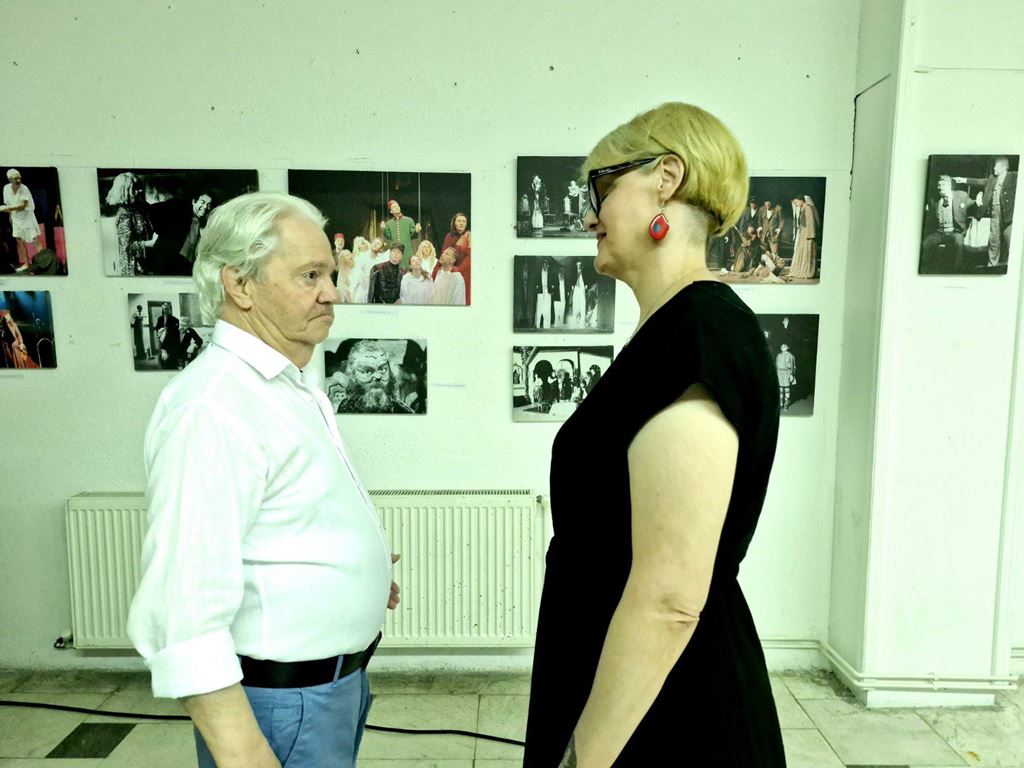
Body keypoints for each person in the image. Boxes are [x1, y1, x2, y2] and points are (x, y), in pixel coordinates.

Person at [524, 102, 785, 767]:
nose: (590, 216)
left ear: (666, 178)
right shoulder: (675, 330)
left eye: (602, 188)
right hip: (635, 684)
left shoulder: (697, 335)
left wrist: (584, 759)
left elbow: (670, 598)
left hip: (667, 711)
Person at [127, 192, 400, 768]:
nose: (332, 292)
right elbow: (182, 610)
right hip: (282, 705)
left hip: (328, 691)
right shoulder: (214, 405)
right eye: (310, 276)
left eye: (330, 274)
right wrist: (246, 755)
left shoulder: (284, 383)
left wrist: (352, 573)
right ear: (241, 284)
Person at [955, 156, 1016, 267]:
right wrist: (963, 180)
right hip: (995, 212)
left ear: (1003, 166)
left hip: (1010, 213)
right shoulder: (992, 179)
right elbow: (979, 181)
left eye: (995, 166)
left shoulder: (1014, 176)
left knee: (1010, 239)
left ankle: (1011, 265)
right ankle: (992, 264)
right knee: (994, 240)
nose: (994, 168)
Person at [333, 340, 414, 414]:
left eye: (382, 369)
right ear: (353, 374)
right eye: (368, 371)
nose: (378, 376)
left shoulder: (403, 412)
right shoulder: (346, 407)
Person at [106, 171, 157, 275]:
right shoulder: (124, 214)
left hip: (148, 264)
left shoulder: (142, 207)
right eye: (136, 188)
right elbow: (127, 247)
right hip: (134, 270)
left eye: (140, 187)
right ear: (125, 191)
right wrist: (151, 243)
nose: (141, 190)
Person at [921, 174, 970, 273]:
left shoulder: (961, 196)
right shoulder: (934, 200)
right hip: (939, 233)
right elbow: (931, 218)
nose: (940, 187)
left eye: (943, 184)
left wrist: (978, 203)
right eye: (939, 185)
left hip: (954, 232)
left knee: (959, 244)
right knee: (925, 244)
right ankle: (926, 271)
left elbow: (972, 204)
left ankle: (957, 270)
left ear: (949, 186)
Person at [1, 169, 42, 272]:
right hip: (16, 218)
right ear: (10, 179)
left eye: (19, 177)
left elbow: (22, 205)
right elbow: (8, 203)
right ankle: (26, 264)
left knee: (35, 240)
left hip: (26, 217)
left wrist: (7, 208)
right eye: (16, 178)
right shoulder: (6, 188)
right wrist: (10, 216)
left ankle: (45, 263)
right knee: (19, 241)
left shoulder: (24, 188)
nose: (19, 180)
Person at [380, 200, 420, 268]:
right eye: (394, 206)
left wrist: (416, 231)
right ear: (391, 211)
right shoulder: (389, 223)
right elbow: (388, 237)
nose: (397, 207)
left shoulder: (409, 220)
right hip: (395, 252)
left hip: (407, 251)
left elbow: (414, 236)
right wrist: (384, 229)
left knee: (407, 268)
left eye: (397, 206)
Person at [790, 194, 820, 279]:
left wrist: (810, 236)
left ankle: (807, 271)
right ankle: (801, 269)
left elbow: (810, 223)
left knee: (807, 252)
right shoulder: (803, 208)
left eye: (796, 202)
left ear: (801, 200)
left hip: (807, 235)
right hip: (803, 233)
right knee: (801, 252)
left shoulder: (808, 208)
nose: (796, 204)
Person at [180, 193, 213, 266]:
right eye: (203, 202)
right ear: (194, 201)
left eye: (208, 205)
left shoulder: (202, 224)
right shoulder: (182, 217)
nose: (205, 207)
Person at [153, 303, 182, 370]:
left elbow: (175, 331)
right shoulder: (160, 318)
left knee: (170, 356)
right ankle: (162, 367)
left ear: (170, 309)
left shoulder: (175, 319)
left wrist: (167, 330)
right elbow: (157, 327)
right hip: (161, 339)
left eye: (167, 309)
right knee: (161, 355)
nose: (166, 310)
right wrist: (159, 331)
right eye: (164, 309)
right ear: (163, 310)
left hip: (170, 341)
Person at [776, 343, 796, 410]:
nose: (783, 347)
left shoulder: (790, 356)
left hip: (787, 372)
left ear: (787, 347)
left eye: (784, 346)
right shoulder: (778, 355)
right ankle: (781, 403)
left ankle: (786, 404)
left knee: (787, 389)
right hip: (779, 373)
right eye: (782, 346)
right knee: (780, 389)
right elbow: (776, 365)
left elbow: (793, 366)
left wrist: (792, 374)